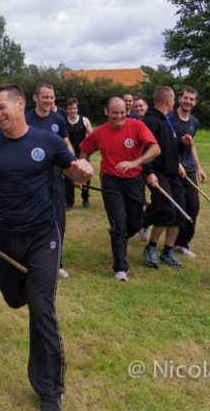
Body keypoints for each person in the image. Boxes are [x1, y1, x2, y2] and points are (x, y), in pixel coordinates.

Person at [0, 84, 93, 411]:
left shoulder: (48, 141)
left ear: (20, 103)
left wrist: (81, 170)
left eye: (0, 107)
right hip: (5, 237)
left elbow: (71, 168)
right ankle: (33, 289)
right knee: (14, 299)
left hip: (42, 235)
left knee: (42, 310)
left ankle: (50, 390)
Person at [79, 97, 160, 281]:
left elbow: (155, 149)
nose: (119, 116)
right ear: (106, 112)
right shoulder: (99, 133)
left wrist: (135, 162)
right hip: (111, 182)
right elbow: (84, 151)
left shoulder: (137, 126)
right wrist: (83, 173)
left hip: (134, 181)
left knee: (136, 221)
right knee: (119, 224)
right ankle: (120, 267)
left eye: (123, 112)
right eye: (115, 112)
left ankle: (120, 232)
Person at [26, 83, 74, 279]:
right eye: (45, 97)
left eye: (52, 97)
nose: (49, 101)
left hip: (55, 175)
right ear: (35, 98)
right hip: (31, 176)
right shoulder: (26, 119)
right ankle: (30, 258)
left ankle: (57, 262)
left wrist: (73, 163)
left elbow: (66, 144)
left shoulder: (58, 119)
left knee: (58, 219)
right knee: (32, 218)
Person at [141, 86, 187, 269]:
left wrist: (181, 147)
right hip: (157, 173)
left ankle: (168, 251)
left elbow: (171, 148)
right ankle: (150, 248)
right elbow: (143, 149)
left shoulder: (166, 121)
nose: (174, 102)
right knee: (166, 210)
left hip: (172, 173)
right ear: (168, 101)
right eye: (174, 99)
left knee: (180, 212)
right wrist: (149, 172)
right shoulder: (151, 121)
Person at [170, 87, 207, 258]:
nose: (188, 101)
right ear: (180, 99)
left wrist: (199, 167)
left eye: (192, 99)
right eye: (186, 98)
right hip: (172, 167)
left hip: (189, 168)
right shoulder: (169, 118)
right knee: (175, 207)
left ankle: (181, 243)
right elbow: (165, 145)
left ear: (195, 102)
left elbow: (191, 144)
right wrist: (177, 163)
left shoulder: (194, 122)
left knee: (193, 206)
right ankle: (145, 223)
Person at [64, 98, 93, 209]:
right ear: (67, 109)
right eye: (70, 108)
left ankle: (85, 199)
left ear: (77, 108)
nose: (72, 111)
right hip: (68, 153)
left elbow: (92, 135)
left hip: (83, 153)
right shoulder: (63, 120)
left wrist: (86, 148)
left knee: (85, 175)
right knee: (68, 177)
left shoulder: (84, 120)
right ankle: (69, 203)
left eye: (74, 108)